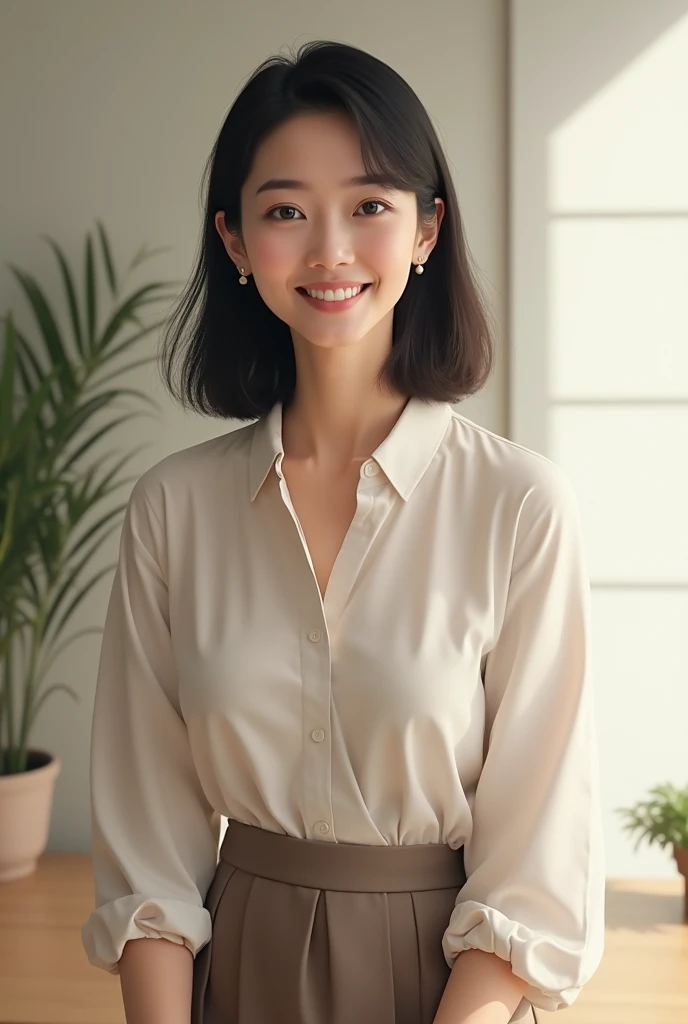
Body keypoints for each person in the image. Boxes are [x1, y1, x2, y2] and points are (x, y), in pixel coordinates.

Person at [81, 39, 605, 1024]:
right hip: (233, 973)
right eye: (285, 210)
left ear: (425, 230)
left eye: (368, 205)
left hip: (453, 989)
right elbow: (147, 849)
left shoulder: (521, 507)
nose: (328, 248)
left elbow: (538, 863)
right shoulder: (174, 509)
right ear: (234, 241)